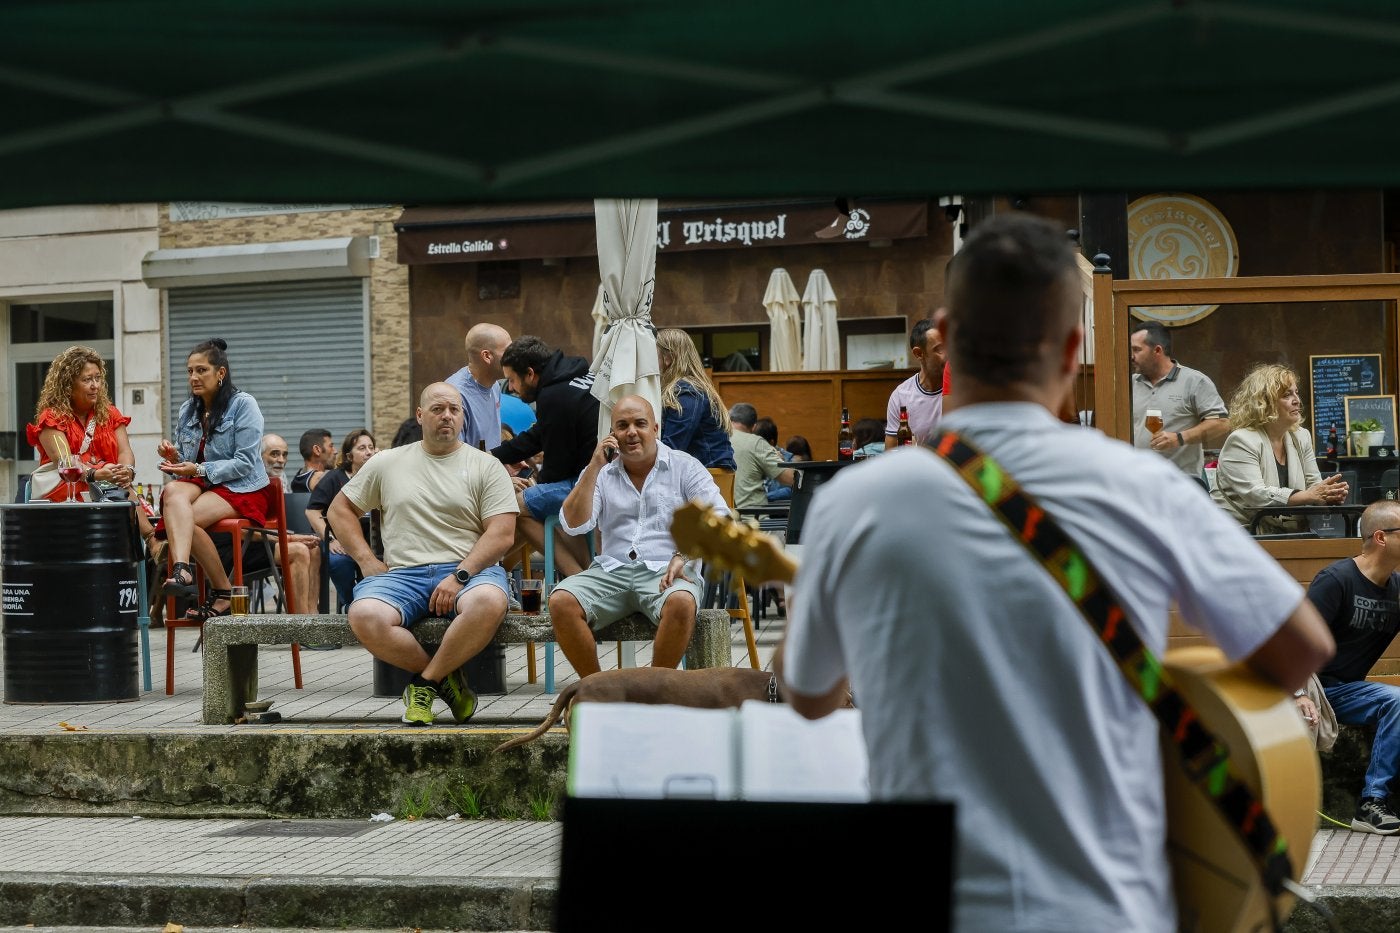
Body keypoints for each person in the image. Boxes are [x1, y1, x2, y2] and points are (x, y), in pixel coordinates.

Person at [777, 213, 1334, 932]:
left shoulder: (852, 503)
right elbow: (1301, 647)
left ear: (942, 336)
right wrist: (1181, 703)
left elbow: (809, 693)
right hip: (1109, 908)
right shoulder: (1142, 485)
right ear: (1074, 346)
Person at [330, 382, 518, 726]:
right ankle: (447, 681)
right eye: (437, 409)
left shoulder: (486, 466)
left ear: (462, 416)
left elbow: (502, 533)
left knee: (489, 602)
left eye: (454, 410)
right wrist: (367, 560)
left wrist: (460, 575)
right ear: (420, 415)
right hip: (403, 574)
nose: (446, 416)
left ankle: (424, 685)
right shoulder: (386, 463)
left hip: (471, 570)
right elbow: (339, 510)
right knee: (363, 614)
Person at [548, 395, 727, 677]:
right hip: (611, 572)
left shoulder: (685, 467)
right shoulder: (602, 472)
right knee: (561, 600)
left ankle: (653, 692)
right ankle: (597, 690)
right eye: (622, 425)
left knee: (681, 601)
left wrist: (685, 555)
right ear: (613, 434)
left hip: (667, 573)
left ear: (656, 429)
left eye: (640, 424)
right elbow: (573, 524)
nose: (631, 432)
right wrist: (594, 466)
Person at [157, 338, 270, 622]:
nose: (193, 377)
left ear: (220, 373)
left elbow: (244, 463)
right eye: (190, 371)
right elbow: (189, 459)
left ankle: (222, 592)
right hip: (205, 484)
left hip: (241, 486)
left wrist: (196, 470)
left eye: (201, 370)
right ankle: (183, 568)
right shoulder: (187, 409)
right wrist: (174, 456)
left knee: (186, 519)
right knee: (172, 491)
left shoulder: (244, 405)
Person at [1307, 499, 1400, 834]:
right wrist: (1296, 693)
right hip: (1313, 687)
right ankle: (1370, 803)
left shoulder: (1397, 588)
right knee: (1396, 701)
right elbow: (1295, 642)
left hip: (1347, 691)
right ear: (1381, 537)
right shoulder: (1336, 579)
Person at [490, 336, 600, 578]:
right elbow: (539, 436)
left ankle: (575, 576)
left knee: (513, 506)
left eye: (512, 379)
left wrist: (536, 486)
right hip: (595, 479)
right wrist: (492, 456)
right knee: (535, 505)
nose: (511, 388)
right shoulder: (574, 376)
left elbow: (557, 464)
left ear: (530, 374)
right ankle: (501, 569)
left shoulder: (554, 396)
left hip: (586, 485)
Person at [1210, 363, 1349, 533]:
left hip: (1291, 531)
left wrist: (1328, 495)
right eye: (1287, 395)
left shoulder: (1301, 436)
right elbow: (1257, 495)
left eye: (1296, 393)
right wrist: (1310, 495)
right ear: (1264, 402)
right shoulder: (1241, 440)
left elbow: (1314, 484)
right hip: (1243, 534)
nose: (1297, 400)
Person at [26, 345, 137, 505]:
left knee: (131, 507)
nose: (95, 385)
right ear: (68, 386)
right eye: (87, 380)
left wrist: (126, 470)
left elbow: (125, 451)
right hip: (67, 490)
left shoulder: (111, 413)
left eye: (98, 378)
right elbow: (64, 462)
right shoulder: (52, 417)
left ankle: (147, 531)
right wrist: (95, 474)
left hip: (109, 487)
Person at [1130, 319, 1230, 476]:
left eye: (1136, 350)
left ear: (1157, 351)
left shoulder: (1195, 381)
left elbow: (1221, 423)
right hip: (1137, 479)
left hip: (1182, 481)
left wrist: (1179, 438)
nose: (1131, 356)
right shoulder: (1130, 384)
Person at [307, 429, 378, 608]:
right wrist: (330, 540)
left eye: (371, 447)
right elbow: (312, 511)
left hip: (373, 543)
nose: (368, 452)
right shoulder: (334, 478)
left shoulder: (380, 477)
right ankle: (351, 604)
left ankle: (371, 603)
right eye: (362, 448)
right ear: (349, 456)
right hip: (341, 543)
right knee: (339, 562)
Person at [656, 327, 735, 470]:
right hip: (705, 475)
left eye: (653, 355)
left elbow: (672, 447)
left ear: (668, 358)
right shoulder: (690, 388)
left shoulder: (687, 391)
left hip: (708, 477)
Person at [445, 322, 512, 449]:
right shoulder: (455, 396)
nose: (514, 356)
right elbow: (453, 457)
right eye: (508, 351)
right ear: (487, 356)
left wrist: (504, 460)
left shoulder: (495, 385)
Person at [884, 317, 946, 448]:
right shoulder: (901, 396)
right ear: (919, 353)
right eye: (940, 349)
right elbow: (891, 452)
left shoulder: (962, 390)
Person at [727, 403, 793, 510]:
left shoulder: (714, 441)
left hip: (720, 519)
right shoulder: (756, 443)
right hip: (753, 520)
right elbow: (791, 479)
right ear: (754, 427)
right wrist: (781, 461)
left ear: (729, 419)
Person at [753, 417, 793, 502]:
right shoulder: (752, 455)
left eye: (758, 443)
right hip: (756, 508)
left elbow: (791, 490)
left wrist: (763, 497)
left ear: (771, 442)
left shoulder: (788, 459)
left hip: (779, 512)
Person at [290, 428, 335, 493]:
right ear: (317, 450)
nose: (335, 451)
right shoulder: (322, 478)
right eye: (331, 446)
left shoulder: (298, 478)